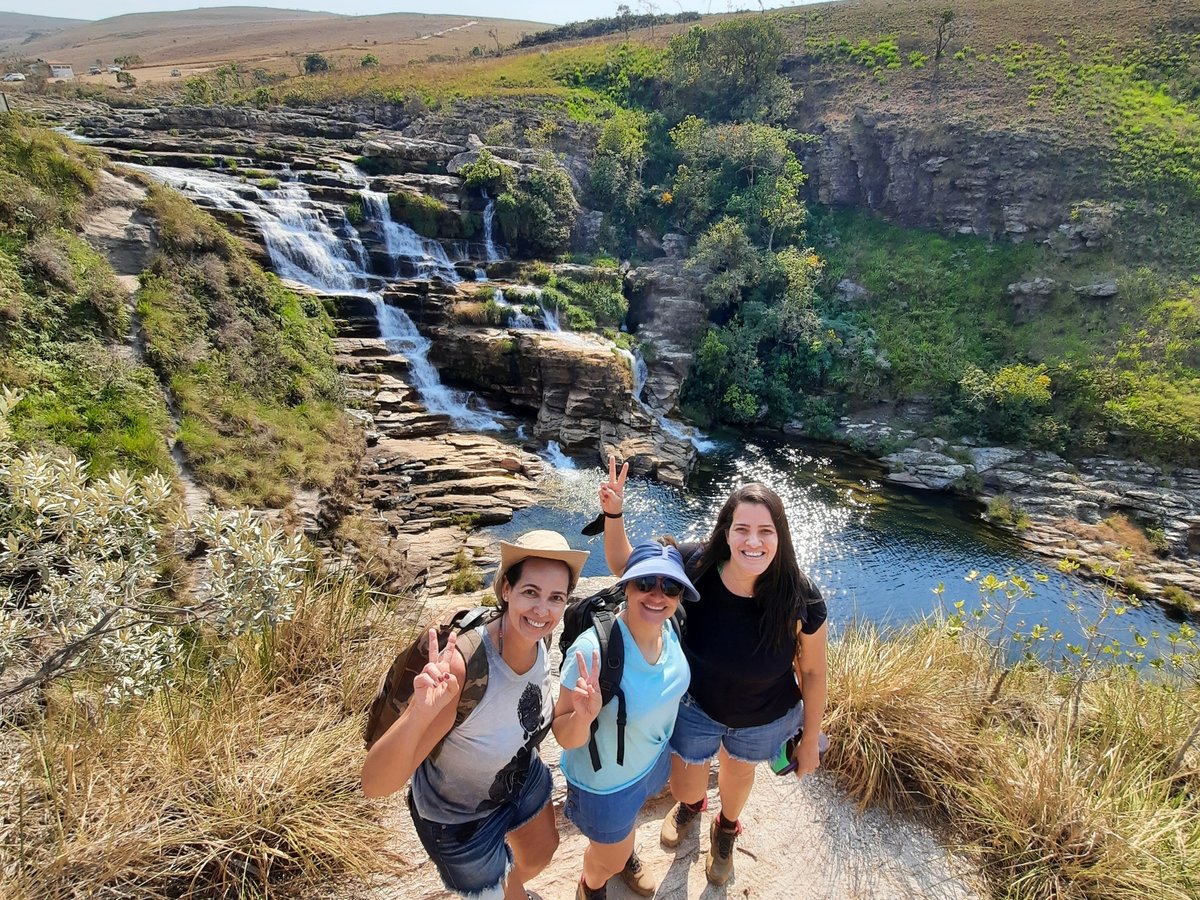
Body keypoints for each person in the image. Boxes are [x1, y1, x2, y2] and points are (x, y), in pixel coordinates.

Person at [598, 457, 829, 887]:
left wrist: (811, 738)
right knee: (685, 785)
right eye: (742, 529)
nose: (752, 542)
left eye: (765, 531)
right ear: (726, 531)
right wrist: (614, 513)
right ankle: (692, 806)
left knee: (738, 774)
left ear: (781, 536)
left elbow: (813, 672)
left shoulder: (801, 596)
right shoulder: (697, 564)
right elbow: (624, 566)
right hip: (696, 705)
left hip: (762, 715)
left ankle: (726, 828)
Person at [361, 530, 589, 900]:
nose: (542, 610)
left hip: (519, 779)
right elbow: (375, 785)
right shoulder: (464, 666)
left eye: (555, 598)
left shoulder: (540, 638)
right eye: (530, 592)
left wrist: (581, 715)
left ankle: (513, 887)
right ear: (506, 590)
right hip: (459, 819)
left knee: (541, 852)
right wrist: (418, 715)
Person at [553, 539, 696, 900]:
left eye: (671, 586)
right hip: (605, 785)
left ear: (680, 594)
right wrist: (583, 718)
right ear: (627, 586)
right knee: (608, 858)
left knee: (622, 836)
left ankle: (619, 852)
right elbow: (564, 736)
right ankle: (593, 882)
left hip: (651, 764)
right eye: (645, 583)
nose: (657, 595)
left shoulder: (672, 627)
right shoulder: (592, 650)